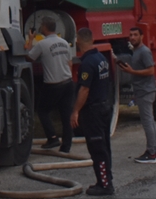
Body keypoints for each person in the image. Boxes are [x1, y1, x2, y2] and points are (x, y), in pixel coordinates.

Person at [70, 28, 113, 196]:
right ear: (93, 39)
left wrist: (75, 111)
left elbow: (84, 90)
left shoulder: (87, 63)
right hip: (104, 107)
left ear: (78, 41)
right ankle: (106, 179)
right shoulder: (101, 58)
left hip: (93, 111)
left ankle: (105, 185)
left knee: (97, 149)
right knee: (104, 146)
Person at [25, 17, 75, 152]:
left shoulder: (42, 44)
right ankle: (66, 146)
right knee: (66, 114)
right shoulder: (64, 43)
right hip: (68, 82)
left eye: (42, 25)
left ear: (45, 28)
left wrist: (30, 40)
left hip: (53, 85)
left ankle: (52, 138)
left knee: (42, 111)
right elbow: (70, 63)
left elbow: (28, 57)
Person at [116, 26, 156, 164]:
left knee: (147, 122)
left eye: (135, 35)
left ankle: (152, 154)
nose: (132, 37)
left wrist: (132, 72)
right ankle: (152, 151)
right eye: (131, 35)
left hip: (146, 91)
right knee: (149, 121)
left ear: (142, 36)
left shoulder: (144, 51)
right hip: (141, 91)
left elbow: (151, 71)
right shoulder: (136, 51)